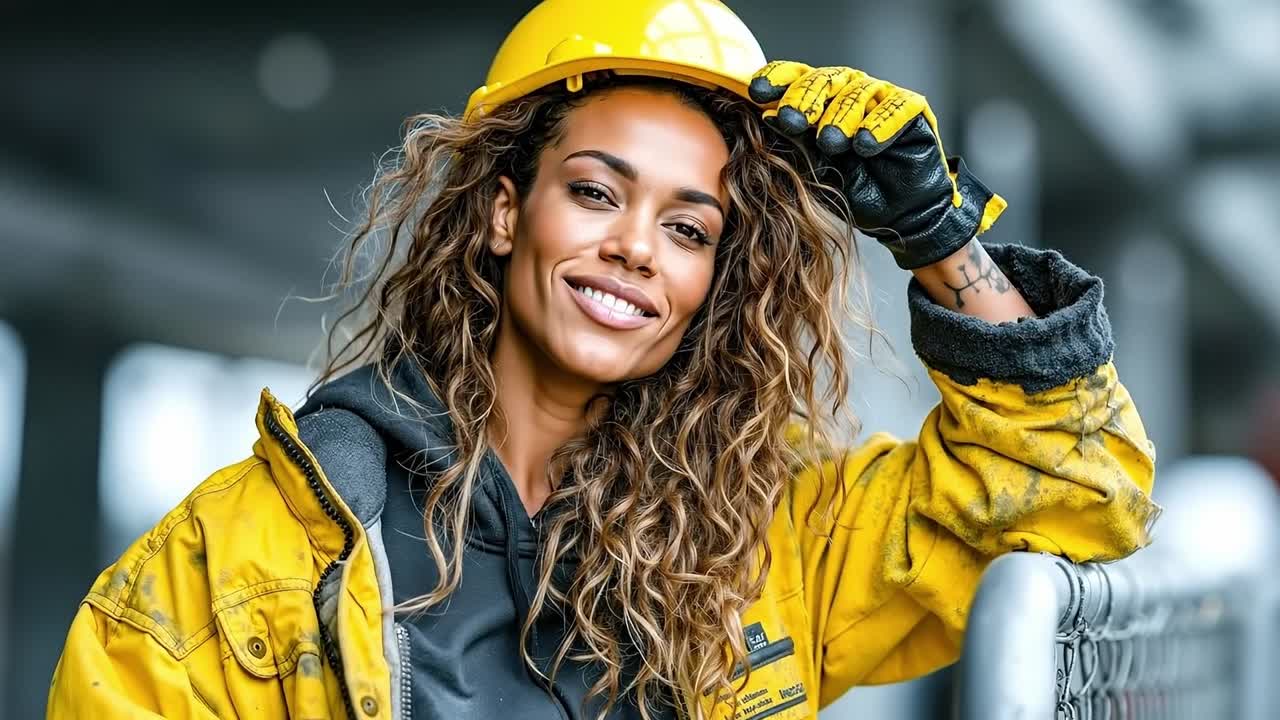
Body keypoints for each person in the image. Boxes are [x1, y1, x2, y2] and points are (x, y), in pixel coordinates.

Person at [46, 1, 1161, 718]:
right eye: (594, 192)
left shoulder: (765, 544)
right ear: (500, 214)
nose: (633, 246)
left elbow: (1074, 497)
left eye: (687, 229)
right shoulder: (238, 559)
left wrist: (939, 239)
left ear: (706, 287)